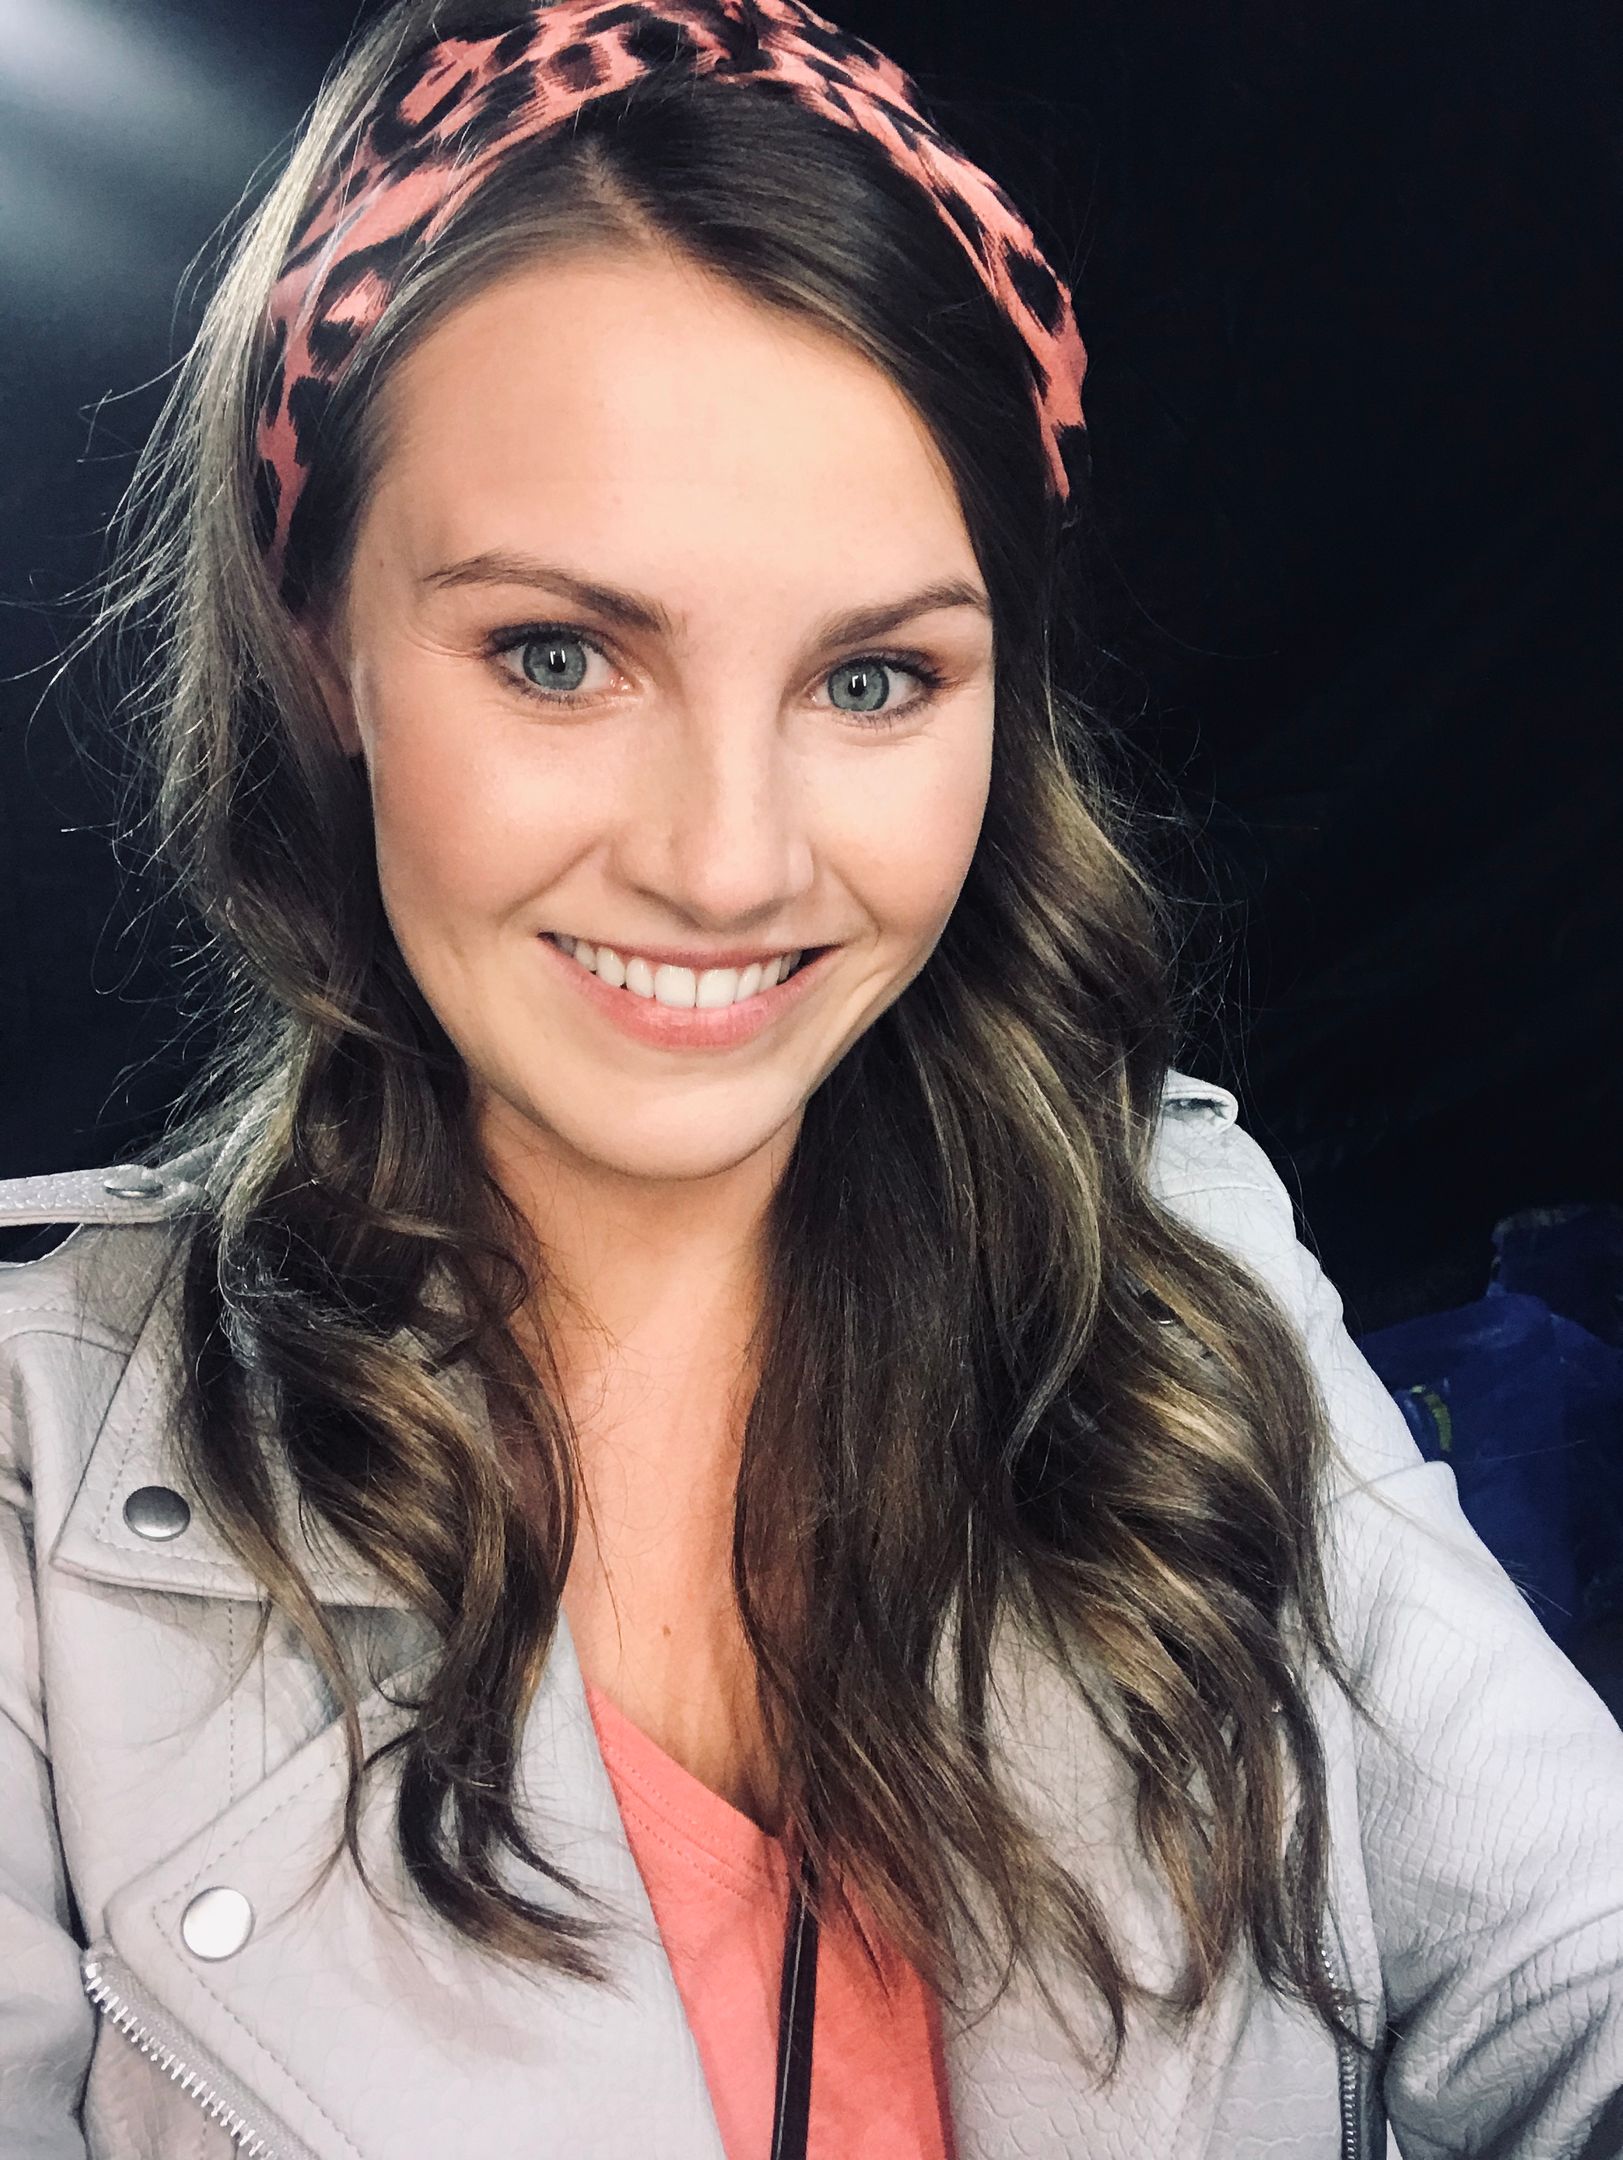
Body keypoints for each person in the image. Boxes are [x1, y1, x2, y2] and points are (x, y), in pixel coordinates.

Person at [2, 3, 1621, 2156]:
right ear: (323, 647)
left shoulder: (1165, 1268)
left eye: (872, 678)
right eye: (559, 655)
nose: (730, 863)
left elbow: (1572, 1967)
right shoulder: (33, 1459)